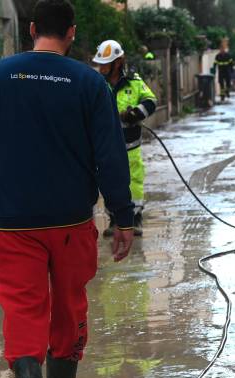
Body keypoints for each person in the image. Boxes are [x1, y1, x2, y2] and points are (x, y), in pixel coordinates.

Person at [0, 1, 135, 378]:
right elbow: (111, 157)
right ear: (73, 34)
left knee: (23, 311)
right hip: (72, 223)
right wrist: (123, 216)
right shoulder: (89, 83)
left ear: (33, 28)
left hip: (15, 224)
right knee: (69, 305)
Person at [93, 39, 157, 237]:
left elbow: (151, 101)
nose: (101, 67)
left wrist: (135, 114)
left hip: (130, 145)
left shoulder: (134, 82)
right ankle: (114, 220)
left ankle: (135, 218)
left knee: (134, 181)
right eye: (100, 63)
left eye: (105, 63)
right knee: (108, 181)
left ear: (118, 62)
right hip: (105, 146)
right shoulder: (96, 83)